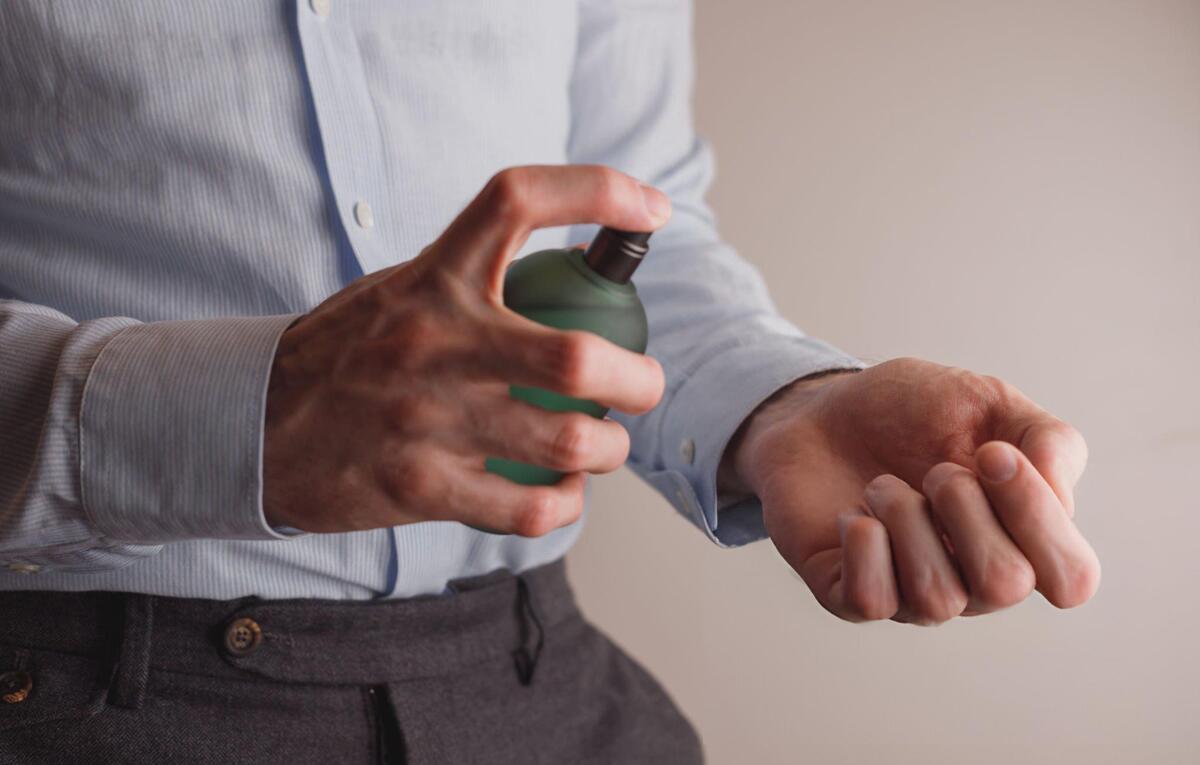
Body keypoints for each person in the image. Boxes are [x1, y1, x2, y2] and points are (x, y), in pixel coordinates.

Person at [0, 1, 1100, 762]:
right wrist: (243, 417)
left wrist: (787, 407)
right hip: (81, 695)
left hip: (542, 686)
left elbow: (631, 226)